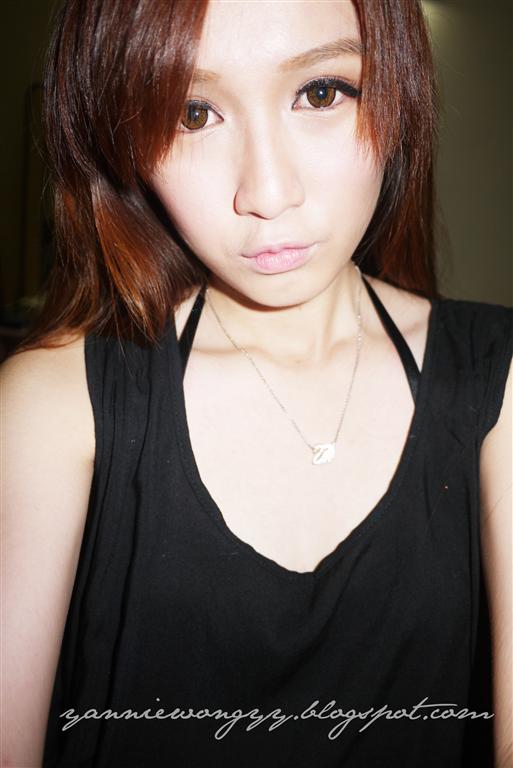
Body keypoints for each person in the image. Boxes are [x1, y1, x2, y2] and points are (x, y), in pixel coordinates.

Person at [2, 0, 511, 766]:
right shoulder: (53, 403)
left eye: (321, 93)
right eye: (191, 113)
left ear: (397, 92)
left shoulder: (495, 380)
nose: (267, 194)